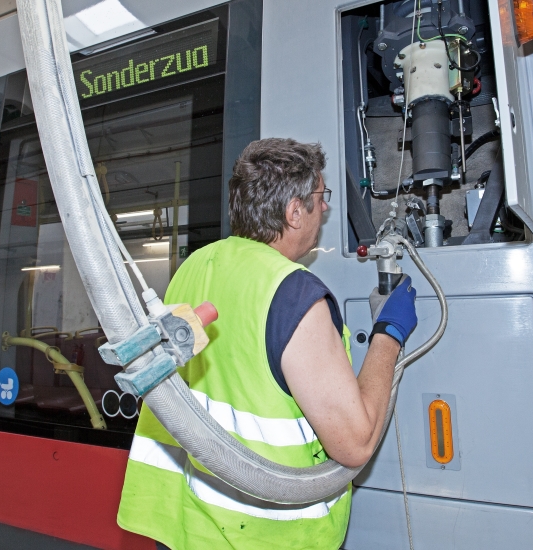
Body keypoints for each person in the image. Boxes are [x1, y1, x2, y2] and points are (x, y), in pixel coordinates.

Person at [117, 138, 418, 550]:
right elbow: (356, 442)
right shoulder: (294, 296)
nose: (326, 207)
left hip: (186, 528)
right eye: (320, 196)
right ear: (295, 212)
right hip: (264, 536)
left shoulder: (194, 265)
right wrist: (389, 332)